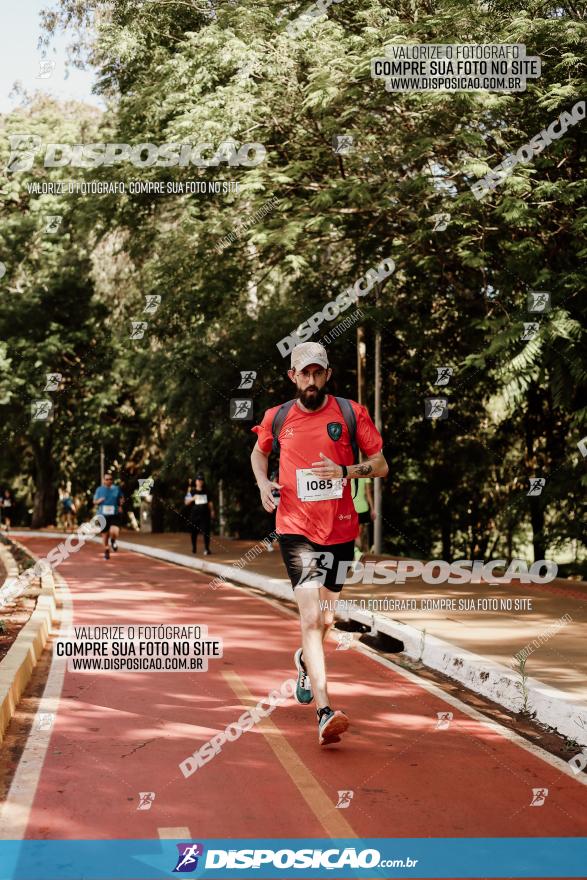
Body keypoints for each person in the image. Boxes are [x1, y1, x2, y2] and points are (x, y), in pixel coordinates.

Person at [250, 341, 388, 746]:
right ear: (292, 376)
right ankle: (325, 710)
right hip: (295, 530)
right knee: (310, 618)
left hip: (341, 531)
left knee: (326, 620)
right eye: (303, 373)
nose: (311, 380)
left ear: (327, 375)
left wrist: (345, 470)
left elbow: (380, 464)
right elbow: (258, 456)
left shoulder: (349, 413)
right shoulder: (277, 417)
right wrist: (263, 483)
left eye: (318, 372)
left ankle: (304, 661)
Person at [93, 472, 124, 560]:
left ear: (112, 480)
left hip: (114, 514)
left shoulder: (117, 489)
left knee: (114, 532)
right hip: (103, 515)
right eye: (107, 479)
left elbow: (121, 498)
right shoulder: (99, 490)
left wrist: (120, 505)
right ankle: (106, 551)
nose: (109, 481)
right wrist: (99, 500)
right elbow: (94, 501)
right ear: (104, 481)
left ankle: (113, 540)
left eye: (110, 479)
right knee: (105, 535)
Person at [185, 474, 214, 555]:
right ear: (196, 482)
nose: (200, 482)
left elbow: (210, 503)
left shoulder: (206, 491)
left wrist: (212, 511)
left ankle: (207, 549)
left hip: (205, 515)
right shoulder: (192, 491)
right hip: (195, 515)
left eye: (201, 480)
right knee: (193, 532)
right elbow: (186, 502)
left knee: (206, 531)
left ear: (203, 482)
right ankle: (194, 548)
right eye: (198, 480)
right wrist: (192, 498)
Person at [352, 477, 375, 561]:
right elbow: (368, 493)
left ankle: (356, 552)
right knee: (358, 533)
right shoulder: (365, 475)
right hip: (362, 508)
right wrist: (372, 509)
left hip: (350, 508)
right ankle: (356, 552)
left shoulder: (347, 472)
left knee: (353, 534)